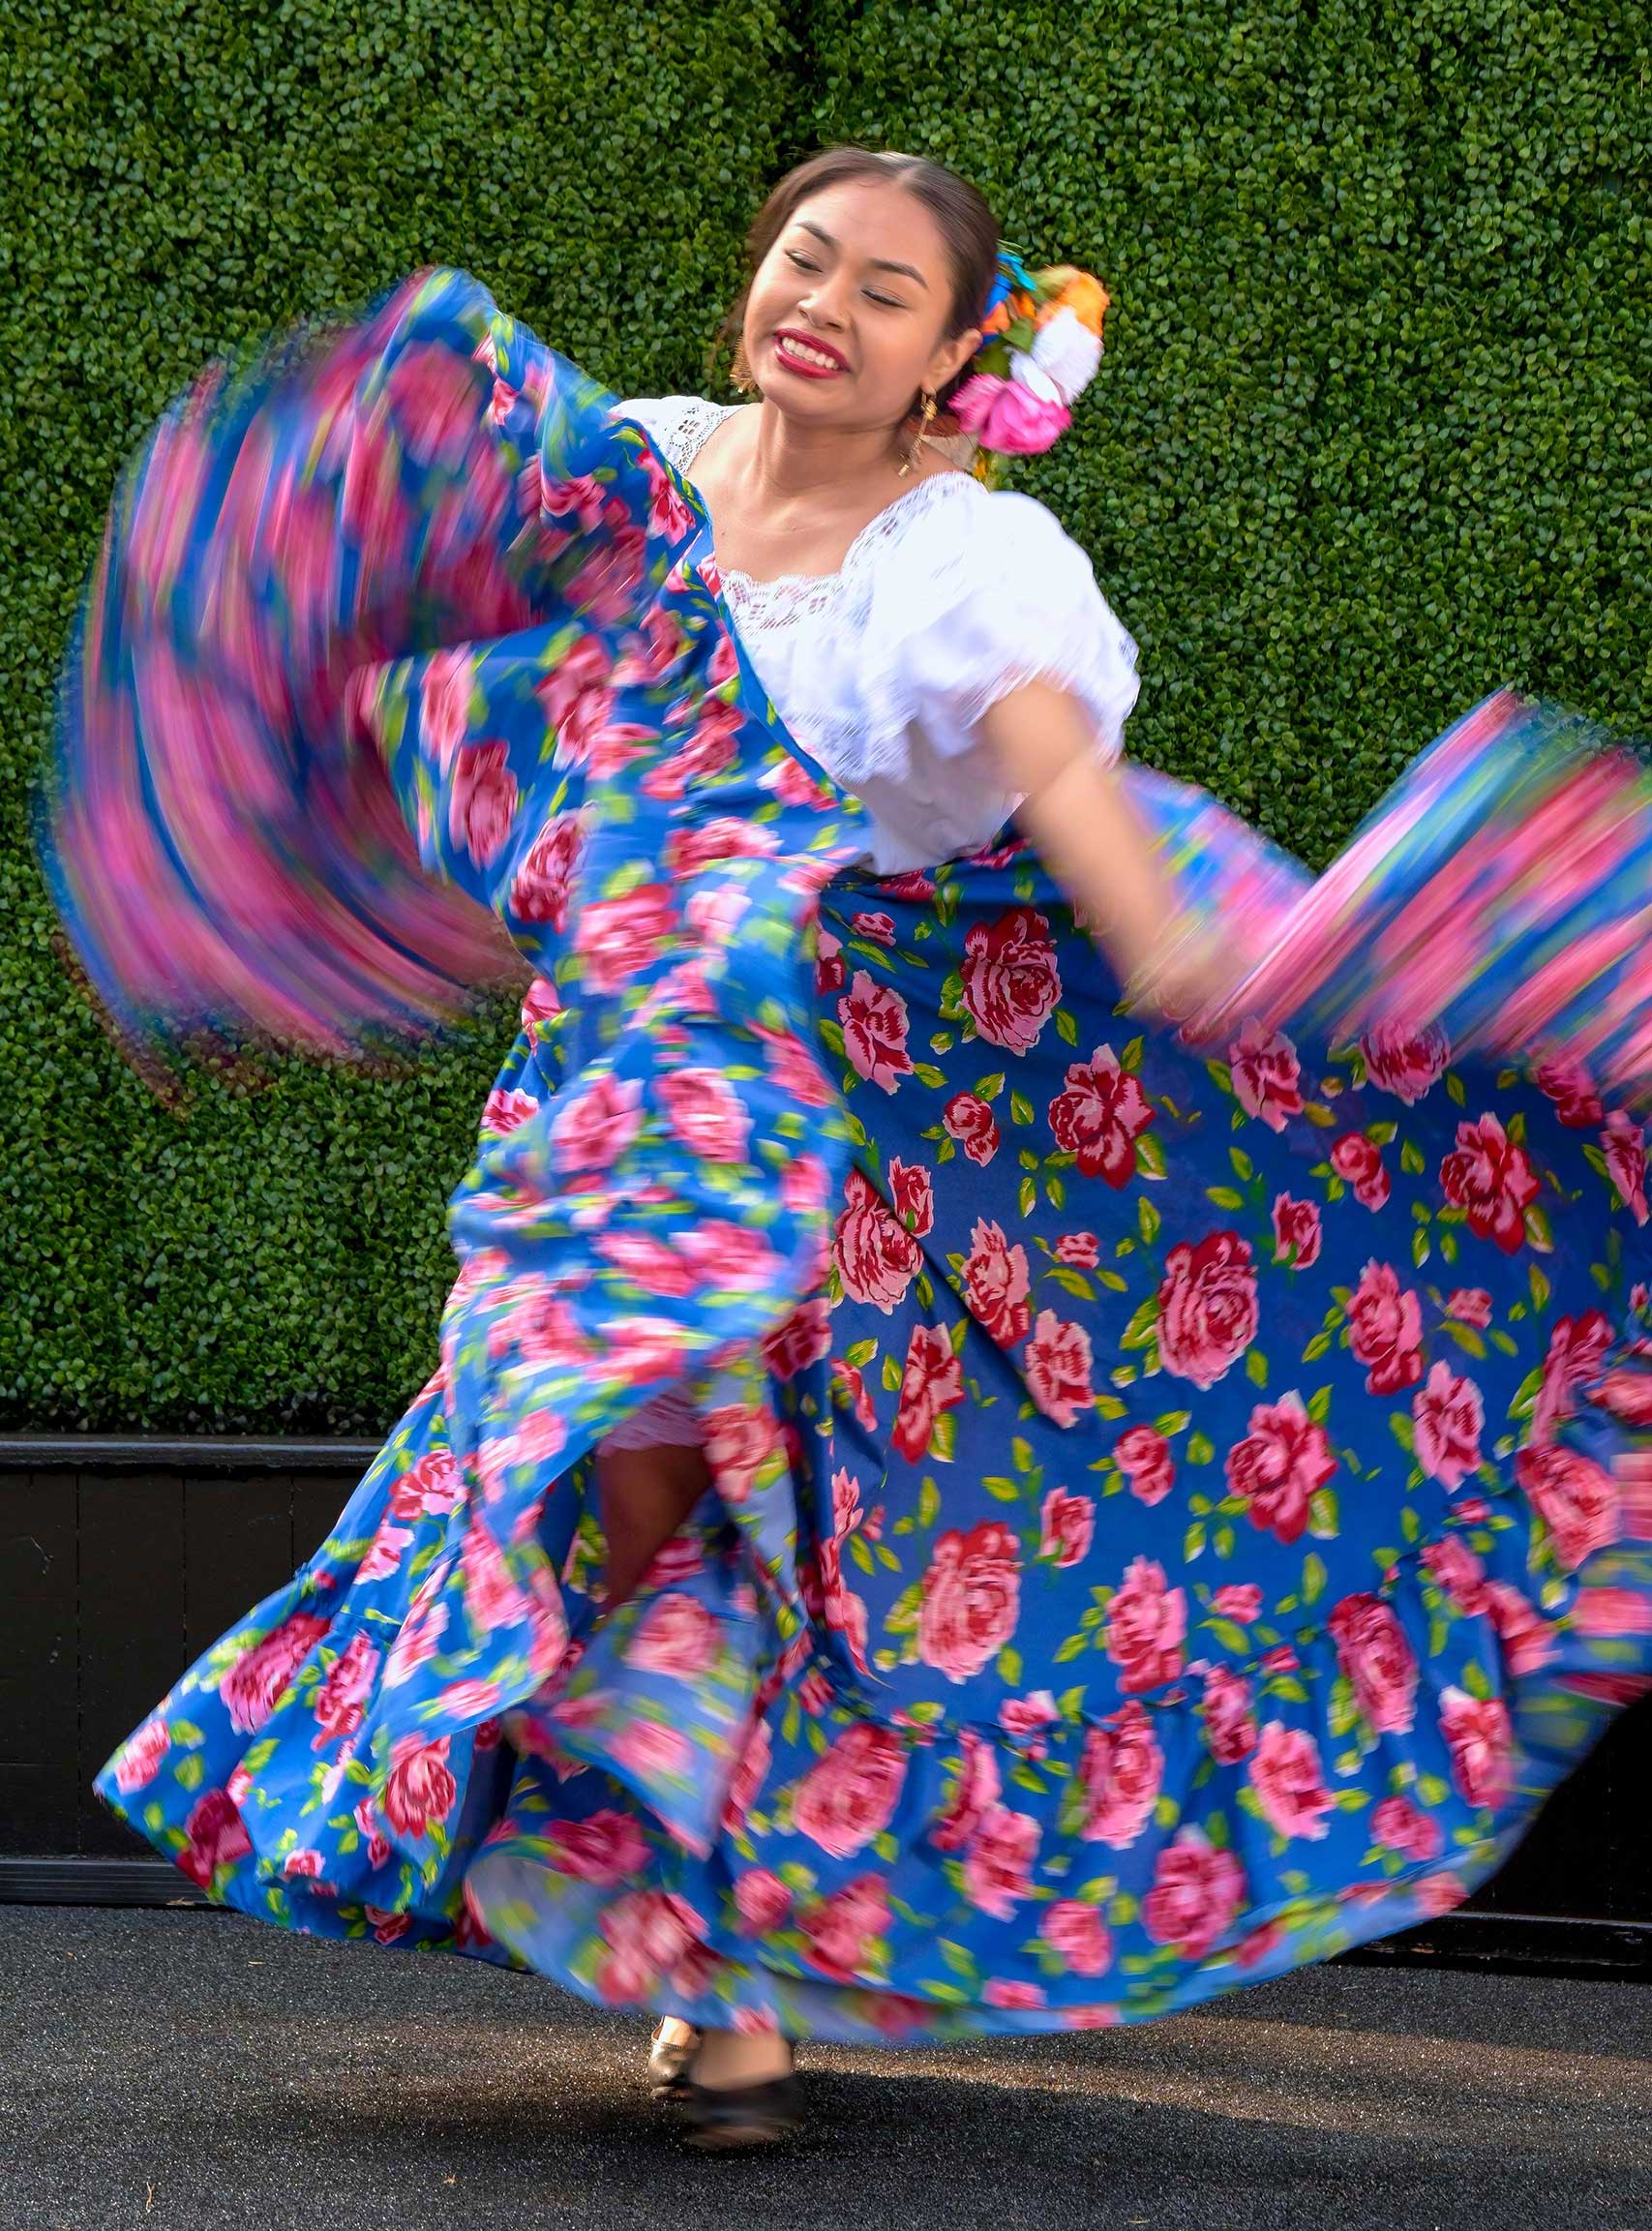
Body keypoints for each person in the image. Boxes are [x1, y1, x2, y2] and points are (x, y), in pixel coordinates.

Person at [41, 145, 1652, 2156]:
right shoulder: (629, 474)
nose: (822, 301)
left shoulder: (966, 565)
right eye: (804, 258)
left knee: (728, 1505)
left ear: (951, 351)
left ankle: (719, 1980)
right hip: (612, 1086)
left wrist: (1229, 957)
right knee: (594, 1469)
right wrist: (264, 874)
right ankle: (700, 1945)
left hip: (824, 1104)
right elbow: (456, 702)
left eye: (885, 290)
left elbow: (1068, 789)